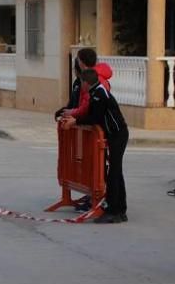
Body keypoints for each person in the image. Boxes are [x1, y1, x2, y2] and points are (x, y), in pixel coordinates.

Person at [55, 48, 113, 211]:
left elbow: (89, 106)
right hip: (87, 125)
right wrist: (68, 111)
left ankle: (99, 198)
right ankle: (90, 195)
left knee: (97, 164)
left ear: (81, 61)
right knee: (85, 162)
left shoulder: (98, 82)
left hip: (101, 129)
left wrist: (74, 115)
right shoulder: (82, 80)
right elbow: (79, 102)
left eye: (78, 60)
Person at [74, 68, 129, 224]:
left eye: (81, 82)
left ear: (86, 82)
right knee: (115, 172)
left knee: (113, 173)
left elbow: (94, 118)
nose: (81, 86)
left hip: (118, 134)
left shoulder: (99, 93)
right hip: (113, 135)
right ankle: (119, 209)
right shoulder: (95, 92)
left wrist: (76, 121)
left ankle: (113, 210)